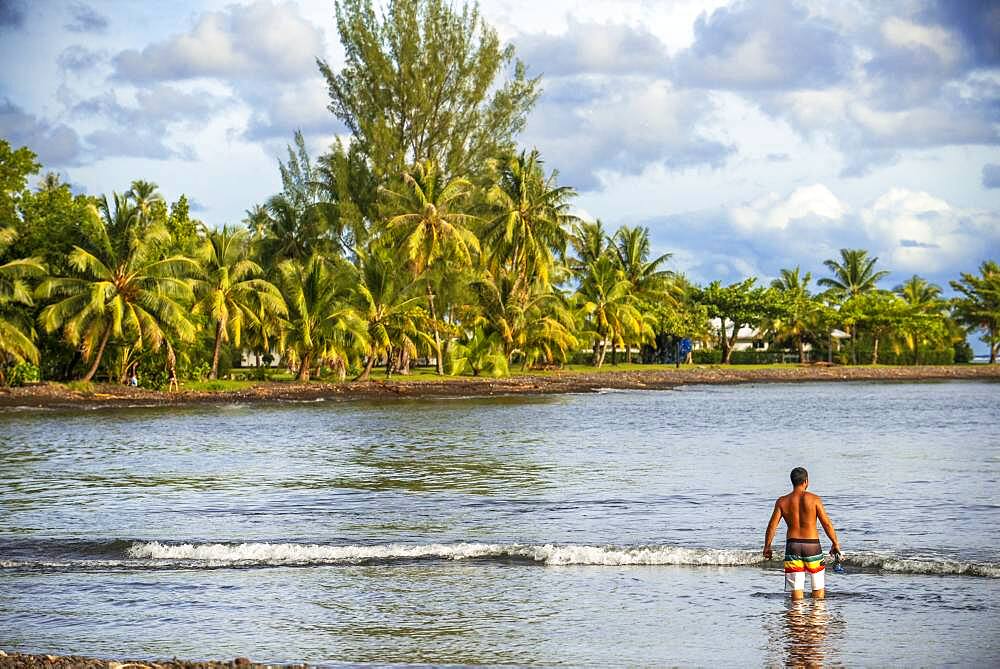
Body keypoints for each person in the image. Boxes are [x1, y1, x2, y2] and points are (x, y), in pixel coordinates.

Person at [763, 467, 841, 600]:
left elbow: (772, 526)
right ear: (806, 481)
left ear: (792, 482)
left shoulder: (782, 501)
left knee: (796, 590)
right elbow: (826, 523)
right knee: (817, 587)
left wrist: (767, 546)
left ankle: (796, 618)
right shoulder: (814, 499)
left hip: (793, 545)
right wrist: (835, 543)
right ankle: (816, 617)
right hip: (812, 545)